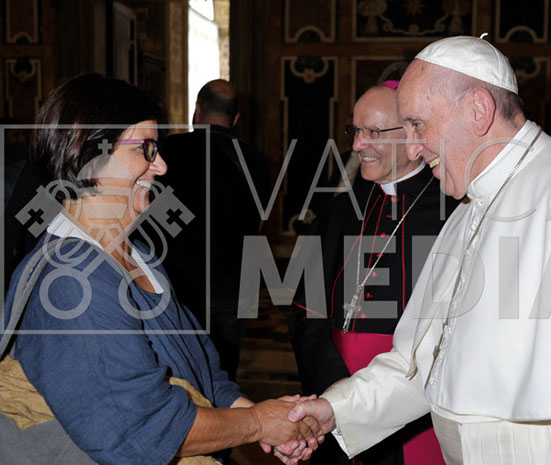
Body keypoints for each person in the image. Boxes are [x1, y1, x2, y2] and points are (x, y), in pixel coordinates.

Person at [285, 36, 551, 464]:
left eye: (418, 125)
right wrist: (335, 410)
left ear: (478, 109)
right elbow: (422, 364)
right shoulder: (468, 212)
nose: (411, 149)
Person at [0, 74, 319, 464]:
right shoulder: (73, 283)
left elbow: (201, 366)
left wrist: (267, 420)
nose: (162, 166)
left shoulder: (139, 254)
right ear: (88, 156)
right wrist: (257, 423)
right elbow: (143, 432)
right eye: (145, 149)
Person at [289, 80, 459, 465]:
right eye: (355, 130)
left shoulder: (453, 211)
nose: (357, 144)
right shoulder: (339, 209)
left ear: (413, 136)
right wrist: (335, 386)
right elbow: (304, 308)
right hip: (334, 390)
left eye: (374, 132)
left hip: (418, 404)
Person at [159, 79, 270, 382]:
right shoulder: (255, 160)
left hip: (176, 283)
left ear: (197, 111)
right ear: (236, 118)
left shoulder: (167, 152)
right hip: (234, 285)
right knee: (223, 372)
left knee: (177, 369)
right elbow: (259, 223)